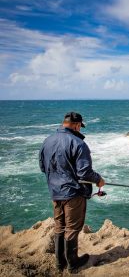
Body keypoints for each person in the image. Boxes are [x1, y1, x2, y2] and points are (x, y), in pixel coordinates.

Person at [39, 112, 105, 273]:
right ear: (76, 125)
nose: (79, 129)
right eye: (79, 126)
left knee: (59, 226)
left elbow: (43, 167)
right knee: (72, 228)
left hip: (55, 192)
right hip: (73, 194)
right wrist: (99, 180)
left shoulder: (47, 141)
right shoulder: (78, 144)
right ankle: (73, 263)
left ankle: (59, 263)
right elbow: (84, 173)